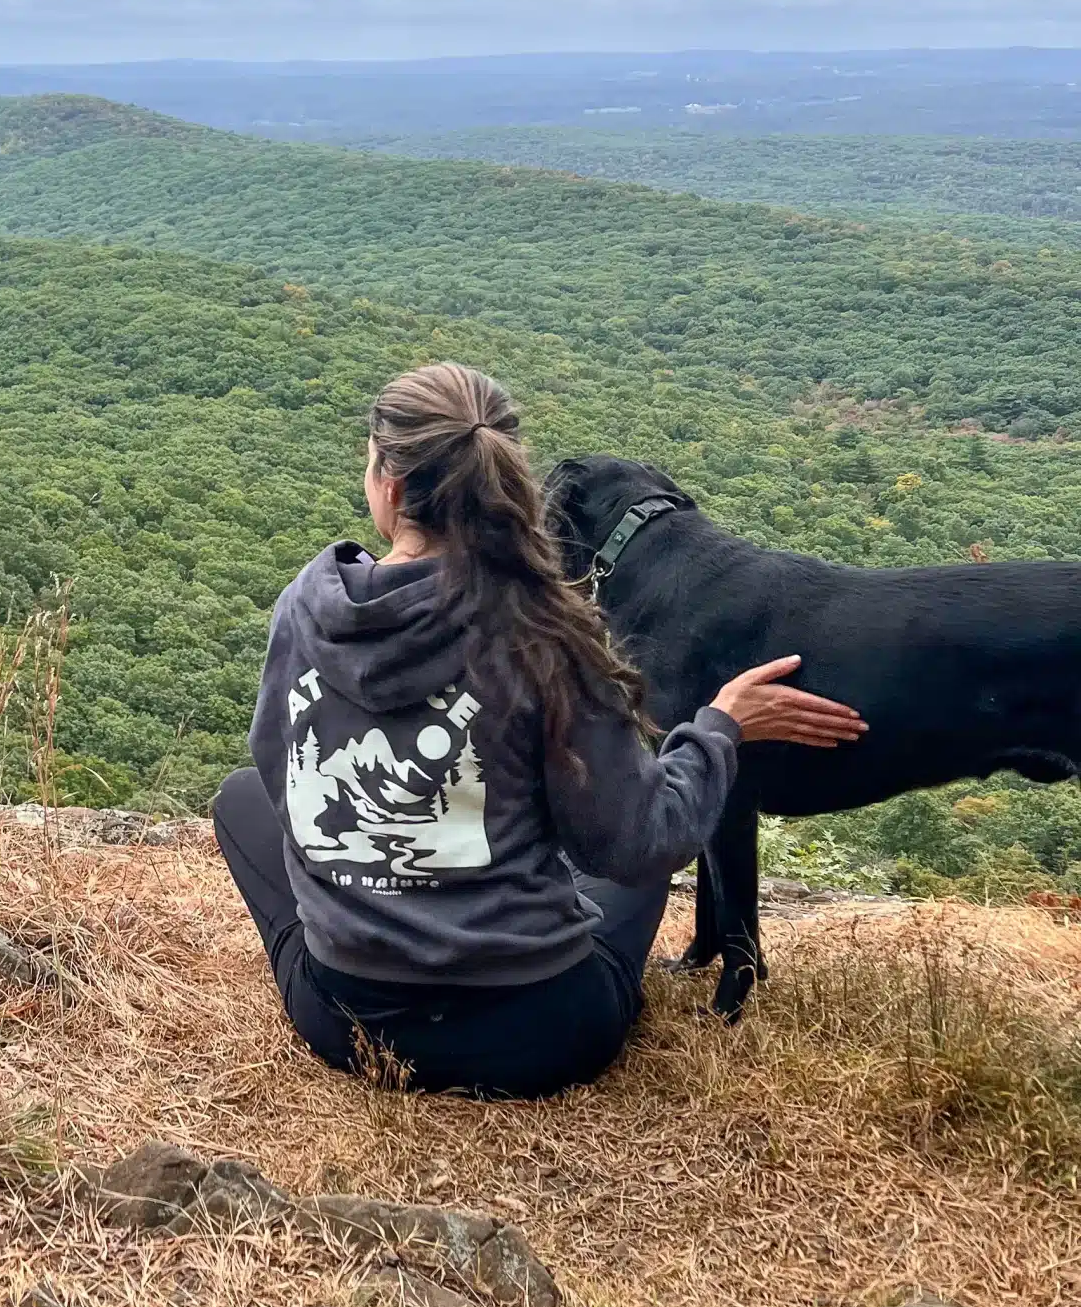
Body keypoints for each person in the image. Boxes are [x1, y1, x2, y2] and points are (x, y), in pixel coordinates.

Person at [212, 362, 867, 1098]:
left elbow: (283, 775)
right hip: (541, 1034)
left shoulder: (307, 606)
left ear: (388, 486)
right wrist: (718, 730)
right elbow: (640, 840)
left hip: (344, 1020)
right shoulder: (542, 630)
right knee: (629, 859)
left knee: (239, 800)